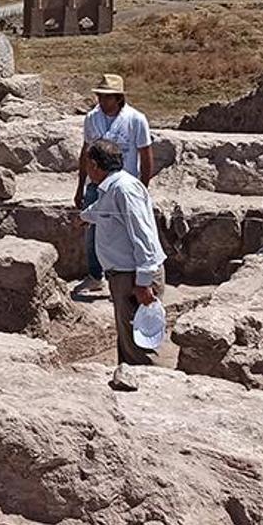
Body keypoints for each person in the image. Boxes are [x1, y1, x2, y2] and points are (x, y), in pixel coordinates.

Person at [79, 140, 168, 366]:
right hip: (125, 275)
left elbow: (144, 236)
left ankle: (150, 394)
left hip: (134, 276)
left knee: (140, 345)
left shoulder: (124, 189)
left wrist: (144, 283)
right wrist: (82, 218)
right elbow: (101, 211)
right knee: (128, 342)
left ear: (94, 164)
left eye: (87, 164)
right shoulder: (112, 188)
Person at [74, 74, 154, 294]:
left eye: (107, 96)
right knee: (93, 231)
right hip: (97, 185)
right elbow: (86, 150)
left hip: (124, 187)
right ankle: (95, 275)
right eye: (100, 95)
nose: (101, 100)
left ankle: (130, 279)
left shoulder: (136, 119)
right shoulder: (92, 118)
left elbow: (145, 155)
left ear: (118, 98)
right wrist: (80, 184)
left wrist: (143, 187)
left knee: (127, 232)